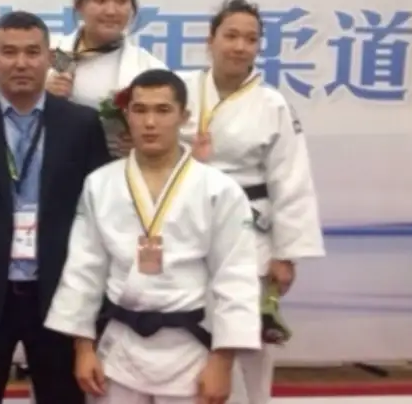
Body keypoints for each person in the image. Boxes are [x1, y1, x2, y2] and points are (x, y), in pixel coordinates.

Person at [44, 68, 262, 404]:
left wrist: (222, 360)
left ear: (183, 117)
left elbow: (235, 276)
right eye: (140, 110)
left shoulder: (219, 190)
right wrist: (83, 347)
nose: (149, 122)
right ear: (126, 115)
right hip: (120, 350)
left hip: (192, 350)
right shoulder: (100, 184)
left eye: (162, 110)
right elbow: (84, 268)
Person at [0, 11, 111, 404]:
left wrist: (92, 310)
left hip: (58, 294)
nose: (21, 63)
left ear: (49, 57)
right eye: (9, 52)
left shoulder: (81, 124)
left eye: (32, 52)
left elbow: (98, 216)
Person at [179, 0, 326, 404]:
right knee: (187, 332)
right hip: (186, 222)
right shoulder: (180, 89)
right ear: (210, 40)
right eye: (231, 36)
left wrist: (286, 253)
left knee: (249, 340)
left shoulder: (272, 103)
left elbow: (291, 179)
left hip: (250, 230)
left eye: (250, 39)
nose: (240, 46)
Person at [45, 0, 166, 158]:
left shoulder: (148, 68)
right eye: (100, 0)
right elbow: (7, 108)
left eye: (121, 1)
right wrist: (40, 95)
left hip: (116, 167)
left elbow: (169, 129)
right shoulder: (49, 53)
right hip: (54, 164)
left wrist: (144, 142)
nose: (111, 11)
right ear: (79, 5)